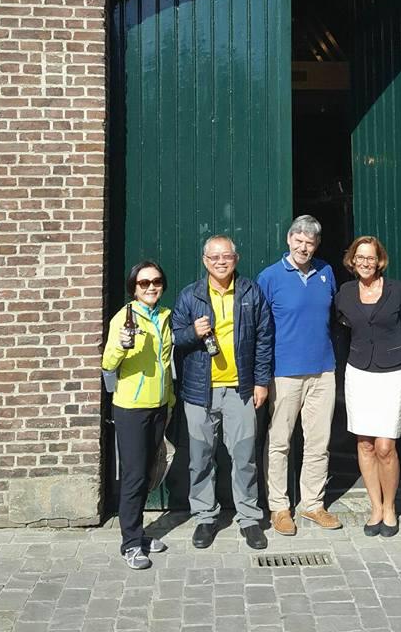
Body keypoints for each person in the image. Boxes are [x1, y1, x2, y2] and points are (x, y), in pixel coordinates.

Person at [172, 235, 273, 550]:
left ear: (236, 258)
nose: (220, 262)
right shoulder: (190, 296)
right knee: (200, 458)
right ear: (204, 261)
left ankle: (249, 519)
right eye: (214, 257)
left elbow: (263, 338)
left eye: (226, 256)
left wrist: (260, 381)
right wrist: (193, 332)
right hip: (199, 392)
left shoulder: (250, 292)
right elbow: (174, 337)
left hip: (239, 390)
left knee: (244, 457)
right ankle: (205, 517)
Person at [257, 215, 341, 536]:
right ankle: (279, 507)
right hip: (284, 373)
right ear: (289, 240)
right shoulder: (270, 277)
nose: (304, 247)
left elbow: (333, 318)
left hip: (323, 370)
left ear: (316, 245)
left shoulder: (326, 272)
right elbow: (261, 328)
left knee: (318, 442)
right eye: (299, 240)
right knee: (280, 442)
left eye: (310, 242)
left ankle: (313, 503)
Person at [336, 236, 401, 538]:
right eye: (360, 257)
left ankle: (390, 507)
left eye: (371, 258)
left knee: (386, 446)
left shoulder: (396, 290)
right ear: (352, 260)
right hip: (359, 373)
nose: (365, 263)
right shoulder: (345, 292)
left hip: (392, 374)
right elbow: (341, 327)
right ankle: (374, 507)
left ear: (379, 260)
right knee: (365, 444)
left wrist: (393, 348)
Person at [102, 260, 175, 570]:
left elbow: (167, 362)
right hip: (131, 406)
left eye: (156, 281)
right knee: (133, 476)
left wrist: (169, 400)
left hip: (159, 404)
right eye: (144, 283)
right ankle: (130, 543)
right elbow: (108, 362)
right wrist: (121, 346)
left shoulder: (163, 316)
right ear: (134, 287)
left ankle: (138, 533)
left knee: (147, 473)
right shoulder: (125, 317)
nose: (151, 287)